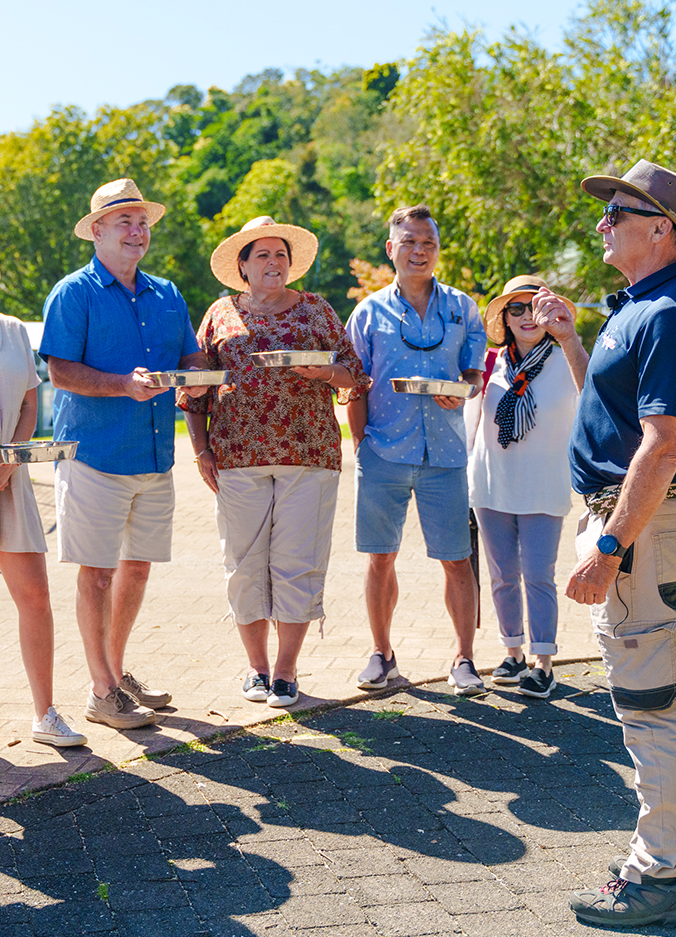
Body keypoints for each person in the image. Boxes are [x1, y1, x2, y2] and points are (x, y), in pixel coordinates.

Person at [563, 160, 676, 928]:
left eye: (617, 214)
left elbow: (661, 446)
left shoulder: (667, 312)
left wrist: (610, 545)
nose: (603, 224)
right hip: (659, 525)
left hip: (644, 527)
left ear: (661, 229)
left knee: (651, 704)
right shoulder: (654, 303)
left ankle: (658, 877)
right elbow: (615, 408)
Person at [39, 179, 208, 730]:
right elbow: (59, 371)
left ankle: (113, 671)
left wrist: (207, 375)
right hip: (94, 455)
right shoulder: (72, 293)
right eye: (124, 222)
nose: (138, 232)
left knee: (135, 569)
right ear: (96, 231)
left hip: (156, 455)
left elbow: (191, 356)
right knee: (97, 575)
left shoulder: (168, 294)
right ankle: (101, 691)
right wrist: (121, 385)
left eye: (143, 222)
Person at [181, 217, 367, 709]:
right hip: (236, 456)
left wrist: (324, 370)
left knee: (297, 564)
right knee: (243, 565)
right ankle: (256, 668)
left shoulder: (316, 309)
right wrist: (200, 450)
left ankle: (286, 672)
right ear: (242, 266)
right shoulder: (219, 314)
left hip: (309, 454)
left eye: (279, 254)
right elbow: (195, 390)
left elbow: (354, 376)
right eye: (261, 255)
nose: (273, 262)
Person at [0, 231, 86, 749]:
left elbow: (31, 404)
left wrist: (7, 462)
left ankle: (45, 711)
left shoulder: (12, 331)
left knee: (36, 596)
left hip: (12, 477)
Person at [344, 205, 488, 697]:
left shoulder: (463, 309)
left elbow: (473, 373)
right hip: (383, 450)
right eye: (408, 242)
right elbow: (355, 383)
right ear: (391, 250)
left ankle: (465, 659)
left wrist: (464, 389)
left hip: (446, 454)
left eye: (427, 242)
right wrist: (362, 445)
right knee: (380, 558)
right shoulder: (368, 312)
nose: (418, 250)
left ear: (437, 250)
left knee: (457, 559)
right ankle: (382, 655)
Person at [466, 276, 588, 699]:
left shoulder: (565, 358)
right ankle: (513, 653)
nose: (526, 316)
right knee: (502, 576)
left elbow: (592, 395)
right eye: (515, 308)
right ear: (504, 318)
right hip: (490, 483)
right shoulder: (489, 363)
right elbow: (472, 420)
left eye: (534, 306)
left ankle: (543, 663)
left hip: (544, 482)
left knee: (538, 574)